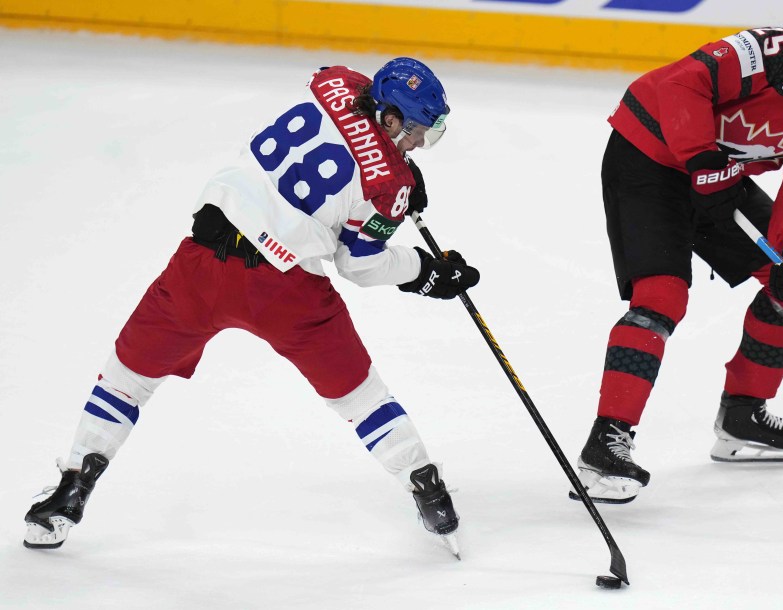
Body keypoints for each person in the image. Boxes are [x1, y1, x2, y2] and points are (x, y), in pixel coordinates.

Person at [23, 58, 479, 556]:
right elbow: (360, 266)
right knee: (360, 396)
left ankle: (73, 485)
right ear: (389, 117)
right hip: (285, 290)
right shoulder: (389, 186)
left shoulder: (335, 82)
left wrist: (400, 172)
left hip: (203, 259)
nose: (417, 145)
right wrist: (422, 268)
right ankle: (426, 488)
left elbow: (346, 131)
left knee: (127, 378)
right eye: (413, 132)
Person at [573, 11, 783, 503]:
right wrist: (700, 157)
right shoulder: (775, 53)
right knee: (662, 296)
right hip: (648, 155)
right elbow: (685, 81)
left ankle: (743, 415)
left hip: (715, 177)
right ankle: (605, 443)